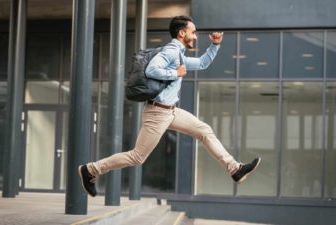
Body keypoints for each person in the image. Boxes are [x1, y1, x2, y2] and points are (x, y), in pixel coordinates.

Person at [78, 16, 261, 197]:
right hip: (158, 113)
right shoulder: (171, 52)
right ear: (182, 33)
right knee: (137, 157)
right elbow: (152, 69)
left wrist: (215, 45)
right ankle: (91, 170)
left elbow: (202, 63)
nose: (195, 36)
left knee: (204, 131)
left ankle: (235, 169)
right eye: (193, 32)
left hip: (171, 111)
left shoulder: (179, 54)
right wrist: (175, 73)